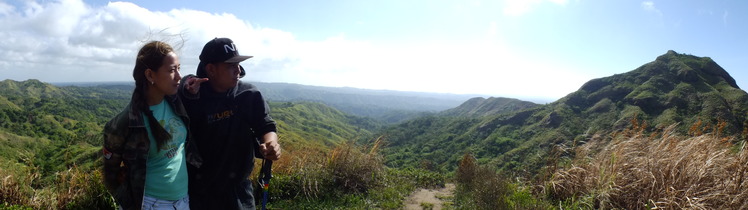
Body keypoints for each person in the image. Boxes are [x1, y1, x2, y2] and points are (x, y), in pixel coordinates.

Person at [180, 37, 281, 210]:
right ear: (211, 69)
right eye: (231, 66)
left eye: (238, 64)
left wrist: (271, 142)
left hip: (239, 189)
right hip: (200, 192)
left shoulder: (248, 94)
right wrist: (185, 87)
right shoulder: (192, 97)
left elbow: (265, 125)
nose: (239, 70)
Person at [103, 41, 201, 210]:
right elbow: (110, 173)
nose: (178, 76)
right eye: (172, 70)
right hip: (150, 203)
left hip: (183, 200)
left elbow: (185, 83)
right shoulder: (127, 123)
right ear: (150, 75)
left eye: (179, 68)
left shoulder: (175, 102)